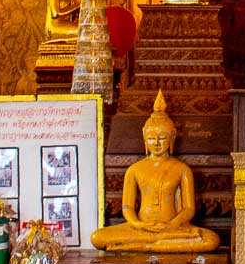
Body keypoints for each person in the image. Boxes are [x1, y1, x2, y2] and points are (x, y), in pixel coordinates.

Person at [90, 92, 218, 253]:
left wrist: (173, 224)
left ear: (172, 139)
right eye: (151, 138)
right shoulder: (134, 169)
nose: (156, 143)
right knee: (97, 237)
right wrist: (137, 224)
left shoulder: (182, 169)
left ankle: (142, 246)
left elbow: (188, 208)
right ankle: (156, 245)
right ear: (145, 139)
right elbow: (127, 207)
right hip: (141, 228)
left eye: (162, 138)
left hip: (172, 228)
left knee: (211, 239)